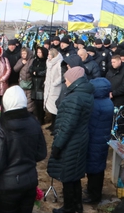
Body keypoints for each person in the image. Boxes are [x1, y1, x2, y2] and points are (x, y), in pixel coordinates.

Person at [0, 86, 47, 213]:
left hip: (7, 185)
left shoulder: (1, 127)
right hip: (29, 181)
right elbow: (41, 153)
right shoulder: (34, 122)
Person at [47, 67, 94, 213]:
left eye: (67, 79)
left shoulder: (74, 98)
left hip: (71, 142)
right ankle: (77, 206)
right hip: (80, 138)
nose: (65, 82)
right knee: (74, 174)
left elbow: (67, 126)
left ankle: (68, 208)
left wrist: (57, 146)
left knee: (67, 175)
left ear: (74, 80)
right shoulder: (85, 94)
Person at [83, 78, 114, 205]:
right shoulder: (108, 102)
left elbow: (89, 123)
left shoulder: (95, 105)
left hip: (94, 140)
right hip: (102, 139)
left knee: (93, 168)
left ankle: (94, 196)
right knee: (98, 167)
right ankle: (93, 191)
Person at [44, 48, 64, 131]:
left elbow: (61, 75)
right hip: (48, 87)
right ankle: (52, 124)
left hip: (55, 88)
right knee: (51, 109)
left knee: (55, 108)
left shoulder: (59, 63)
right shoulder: (48, 62)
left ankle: (56, 126)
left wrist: (54, 83)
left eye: (49, 54)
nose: (48, 56)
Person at [13, 47, 35, 113]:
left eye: (25, 53)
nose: (23, 55)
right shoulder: (20, 60)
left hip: (30, 83)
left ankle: (30, 113)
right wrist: (22, 63)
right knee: (22, 98)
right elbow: (15, 69)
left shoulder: (32, 60)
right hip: (22, 83)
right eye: (22, 53)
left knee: (29, 100)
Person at [30, 47, 48, 124]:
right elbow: (30, 69)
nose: (38, 54)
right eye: (37, 52)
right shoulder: (35, 61)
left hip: (41, 84)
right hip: (35, 84)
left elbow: (46, 71)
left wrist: (37, 73)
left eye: (40, 52)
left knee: (41, 103)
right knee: (36, 103)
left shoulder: (46, 62)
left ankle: (41, 119)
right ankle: (37, 118)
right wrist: (33, 72)